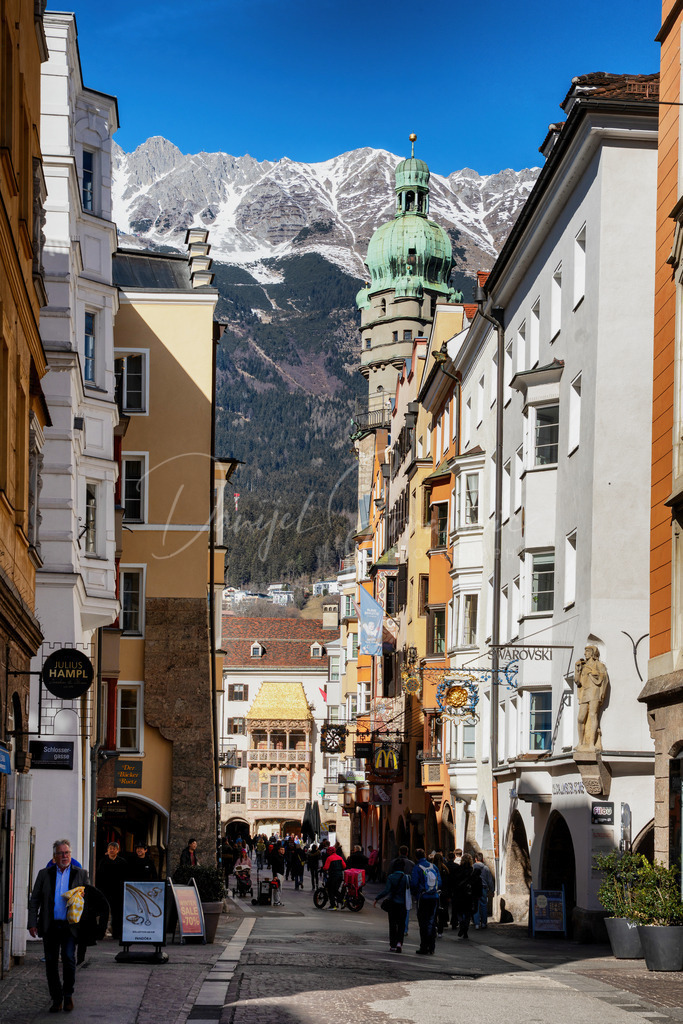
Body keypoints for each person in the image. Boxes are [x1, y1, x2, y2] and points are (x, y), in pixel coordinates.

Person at [28, 838, 89, 1013]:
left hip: (70, 926)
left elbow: (90, 900)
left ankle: (68, 994)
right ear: (54, 856)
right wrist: (32, 923)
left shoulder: (80, 874)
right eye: (61, 853)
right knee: (51, 963)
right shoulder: (44, 874)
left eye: (67, 853)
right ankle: (56, 999)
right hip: (50, 925)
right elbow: (35, 900)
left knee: (69, 959)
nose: (65, 856)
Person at [575, 644, 609, 750]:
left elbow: (605, 679)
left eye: (588, 651)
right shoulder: (583, 666)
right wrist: (577, 670)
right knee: (580, 718)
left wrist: (602, 693)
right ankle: (580, 742)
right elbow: (577, 682)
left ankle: (591, 744)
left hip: (594, 692)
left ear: (593, 653)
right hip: (585, 692)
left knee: (593, 715)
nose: (585, 653)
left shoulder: (599, 665)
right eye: (585, 651)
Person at [410, 848, 441, 955]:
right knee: (432, 922)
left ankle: (424, 947)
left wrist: (416, 893)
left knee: (423, 923)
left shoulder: (417, 868)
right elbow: (439, 882)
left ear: (416, 857)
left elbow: (413, 883)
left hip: (423, 898)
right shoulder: (434, 866)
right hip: (435, 897)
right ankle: (432, 947)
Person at [374, 865, 411, 953]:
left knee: (393, 924)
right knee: (401, 924)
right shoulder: (407, 878)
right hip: (403, 904)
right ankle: (399, 943)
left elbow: (386, 890)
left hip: (393, 904)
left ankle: (393, 945)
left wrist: (377, 898)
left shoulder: (391, 877)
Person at [96, 841, 126, 939]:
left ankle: (116, 933)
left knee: (117, 913)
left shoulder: (122, 862)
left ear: (117, 850)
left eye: (114, 849)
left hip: (117, 891)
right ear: (107, 850)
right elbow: (99, 876)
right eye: (110, 849)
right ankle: (100, 933)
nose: (111, 850)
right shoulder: (103, 861)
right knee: (104, 912)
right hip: (105, 890)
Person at [453, 853, 482, 939]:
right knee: (468, 913)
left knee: (459, 912)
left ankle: (461, 923)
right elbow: (477, 884)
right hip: (469, 895)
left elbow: (454, 882)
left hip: (459, 895)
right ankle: (465, 928)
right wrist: (477, 895)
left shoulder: (458, 870)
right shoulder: (472, 871)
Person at [472, 853, 495, 929]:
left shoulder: (472, 867)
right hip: (483, 888)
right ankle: (484, 923)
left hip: (475, 888)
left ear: (475, 859)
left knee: (476, 905)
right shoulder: (486, 868)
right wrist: (492, 890)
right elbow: (490, 880)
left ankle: (476, 923)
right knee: (484, 905)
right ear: (482, 859)